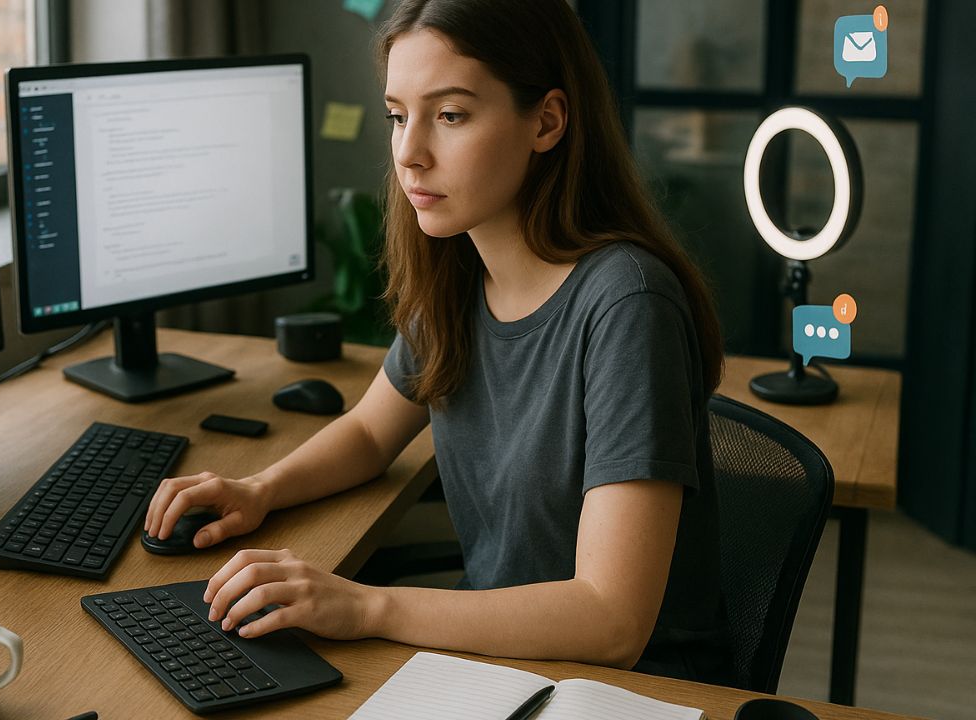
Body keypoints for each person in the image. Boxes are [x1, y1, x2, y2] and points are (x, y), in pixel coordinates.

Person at [145, 0, 733, 686]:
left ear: (546, 121)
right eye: (399, 116)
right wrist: (259, 489)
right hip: (499, 658)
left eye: (450, 115)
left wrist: (366, 605)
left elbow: (612, 622)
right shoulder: (459, 272)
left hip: (630, 687)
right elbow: (371, 432)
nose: (409, 153)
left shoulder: (627, 304)